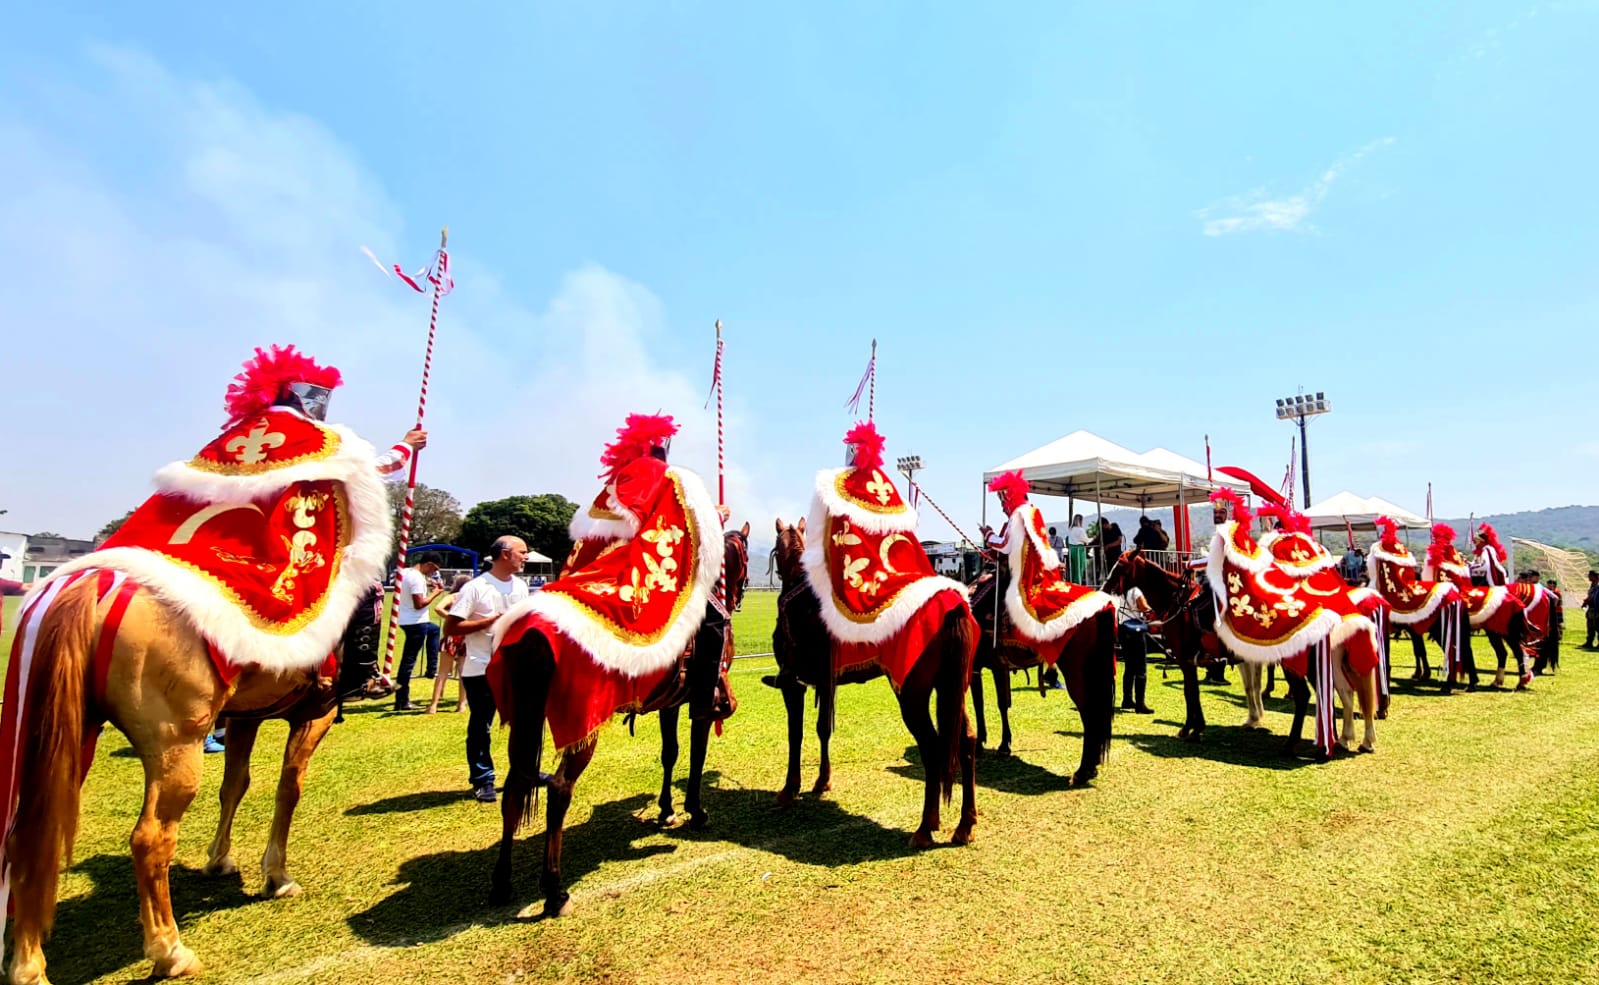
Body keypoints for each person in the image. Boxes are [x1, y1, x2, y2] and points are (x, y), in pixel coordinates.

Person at [445, 536, 532, 802]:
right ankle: (483, 779)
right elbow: (451, 627)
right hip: (480, 668)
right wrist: (489, 622)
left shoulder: (521, 586)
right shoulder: (475, 587)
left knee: (523, 722)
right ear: (505, 554)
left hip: (513, 666)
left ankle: (525, 772)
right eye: (522, 552)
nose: (526, 557)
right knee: (481, 725)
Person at [393, 552, 444, 710]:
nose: (433, 573)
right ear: (428, 564)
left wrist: (428, 586)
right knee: (408, 662)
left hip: (408, 620)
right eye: (434, 569)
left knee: (434, 630)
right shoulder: (416, 578)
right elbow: (419, 604)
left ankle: (431, 667)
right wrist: (436, 593)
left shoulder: (408, 572)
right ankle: (402, 700)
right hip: (416, 623)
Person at [426, 573, 473, 714]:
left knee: (442, 672)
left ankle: (433, 705)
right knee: (463, 672)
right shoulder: (470, 598)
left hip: (451, 636)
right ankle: (461, 705)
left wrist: (451, 618)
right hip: (465, 636)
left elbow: (438, 608)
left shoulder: (452, 597)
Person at [1117, 585, 1156, 714]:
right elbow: (1144, 607)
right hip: (1135, 630)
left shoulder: (1116, 590)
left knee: (1129, 666)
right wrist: (1152, 610)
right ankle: (1140, 704)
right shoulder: (1135, 590)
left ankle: (1127, 699)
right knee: (1140, 668)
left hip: (1122, 628)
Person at [1066, 514, 1088, 584]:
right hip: (1079, 549)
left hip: (1071, 549)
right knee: (1079, 568)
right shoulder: (1080, 530)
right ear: (1080, 521)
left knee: (1073, 568)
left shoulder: (1070, 529)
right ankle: (1078, 584)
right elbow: (1086, 540)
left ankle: (1072, 583)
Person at [1584, 571, 1599, 649]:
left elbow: (1595, 597)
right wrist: (1586, 601)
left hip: (1596, 608)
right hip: (1591, 608)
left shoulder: (1597, 585)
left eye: (1590, 576)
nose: (1588, 577)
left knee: (1597, 625)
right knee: (1590, 626)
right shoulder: (1592, 585)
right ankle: (1589, 642)